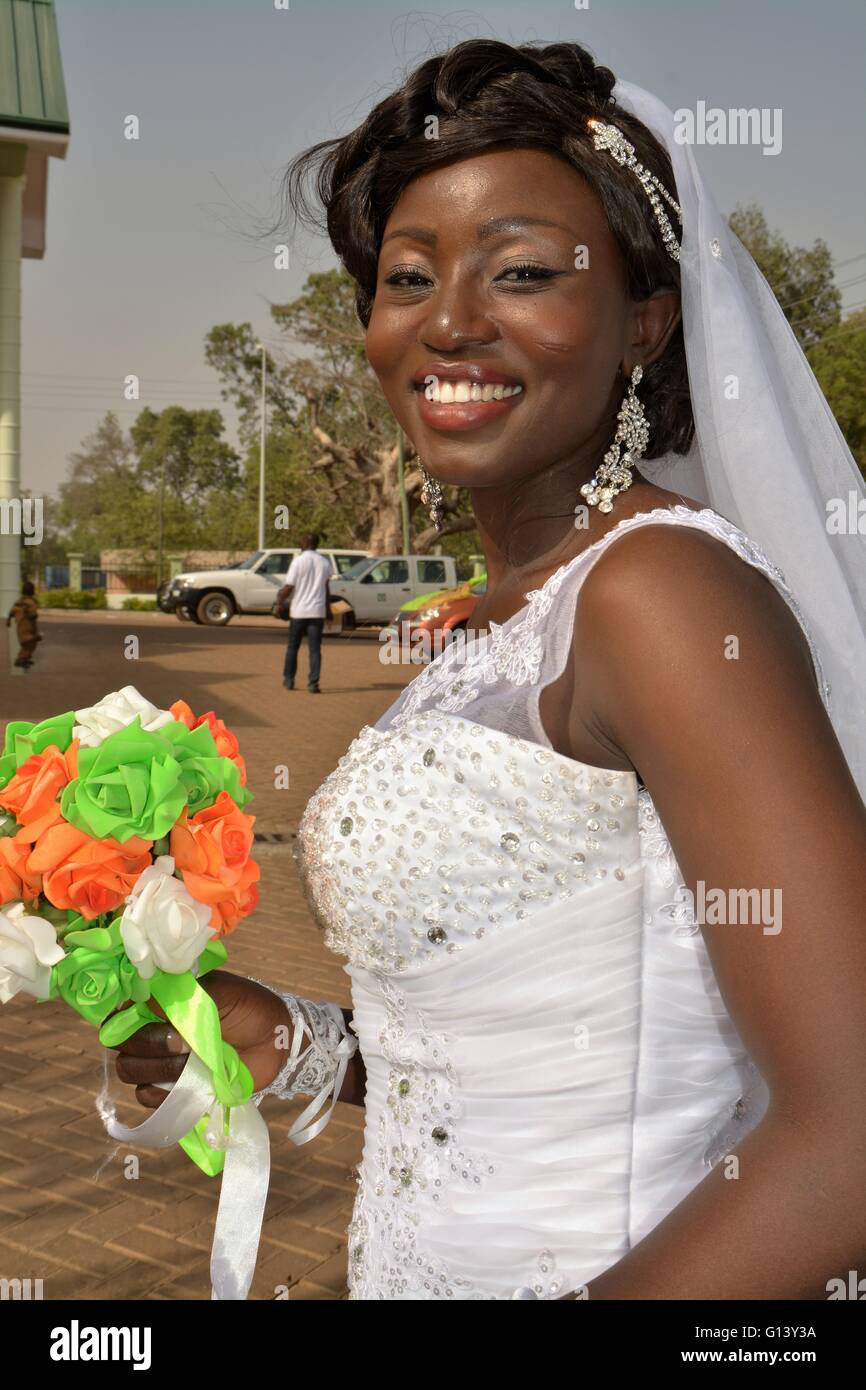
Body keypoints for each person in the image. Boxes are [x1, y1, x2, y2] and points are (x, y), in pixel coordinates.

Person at [110, 39, 866, 1300]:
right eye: (407, 278)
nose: (450, 320)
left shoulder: (659, 596)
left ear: (643, 320)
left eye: (521, 272)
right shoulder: (503, 617)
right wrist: (300, 1042)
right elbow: (526, 1044)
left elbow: (847, 1132)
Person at [281, 532, 332, 693]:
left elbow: (289, 586)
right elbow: (326, 587)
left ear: (305, 542)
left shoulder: (298, 561)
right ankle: (313, 683)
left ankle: (289, 680)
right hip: (317, 612)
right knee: (315, 649)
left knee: (292, 647)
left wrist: (280, 602)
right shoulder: (324, 562)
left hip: (299, 612)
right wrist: (328, 609)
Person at [6, 579, 41, 669]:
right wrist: (34, 615)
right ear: (32, 591)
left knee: (26, 643)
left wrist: (9, 620)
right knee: (30, 643)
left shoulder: (19, 601)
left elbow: (11, 612)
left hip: (20, 627)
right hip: (28, 626)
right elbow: (33, 615)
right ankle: (20, 660)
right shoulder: (31, 602)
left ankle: (25, 659)